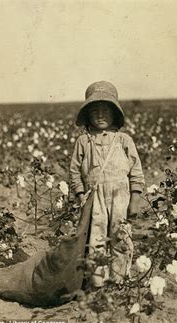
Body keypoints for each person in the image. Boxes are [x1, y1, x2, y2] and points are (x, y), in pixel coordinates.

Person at [70, 81, 145, 286]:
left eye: (105, 110)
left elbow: (136, 171)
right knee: (96, 238)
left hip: (121, 196)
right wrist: (80, 196)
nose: (100, 115)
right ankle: (98, 283)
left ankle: (120, 279)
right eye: (95, 111)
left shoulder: (123, 140)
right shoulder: (83, 142)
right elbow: (75, 171)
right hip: (94, 198)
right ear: (87, 115)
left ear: (114, 114)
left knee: (120, 236)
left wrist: (135, 199)